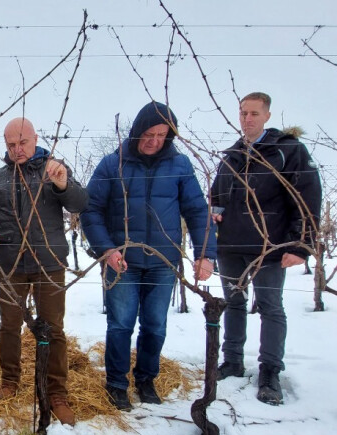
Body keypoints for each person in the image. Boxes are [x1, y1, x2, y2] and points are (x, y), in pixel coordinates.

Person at [82, 102, 216, 411]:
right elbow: (91, 212)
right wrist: (107, 250)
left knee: (155, 325)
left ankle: (146, 379)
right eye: (149, 133)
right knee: (120, 325)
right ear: (136, 131)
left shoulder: (180, 165)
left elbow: (197, 211)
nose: (154, 141)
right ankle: (117, 383)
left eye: (162, 135)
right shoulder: (111, 165)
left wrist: (205, 254)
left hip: (163, 262)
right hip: (122, 262)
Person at [210, 92, 322, 405]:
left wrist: (301, 244)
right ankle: (232, 360)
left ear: (267, 116)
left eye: (254, 114)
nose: (247, 119)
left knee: (270, 306)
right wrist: (216, 207)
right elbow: (217, 190)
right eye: (243, 113)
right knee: (233, 302)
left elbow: (308, 198)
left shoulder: (288, 150)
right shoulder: (233, 154)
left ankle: (270, 370)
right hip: (232, 244)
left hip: (270, 246)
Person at [0, 117, 88, 425]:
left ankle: (57, 393)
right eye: (11, 145)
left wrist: (63, 183)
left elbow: (80, 202)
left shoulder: (53, 170)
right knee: (9, 325)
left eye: (22, 143)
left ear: (35, 138)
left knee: (53, 328)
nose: (17, 150)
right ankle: (10, 380)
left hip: (49, 263)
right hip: (11, 263)